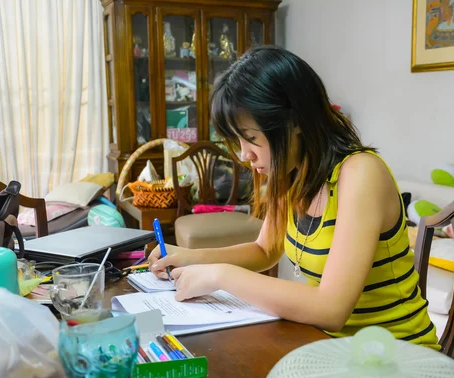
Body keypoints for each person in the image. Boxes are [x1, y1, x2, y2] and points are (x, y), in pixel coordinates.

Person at [149, 46, 439, 349]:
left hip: (399, 357)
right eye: (237, 140)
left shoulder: (360, 174)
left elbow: (331, 309)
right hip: (335, 349)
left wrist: (221, 275)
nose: (244, 155)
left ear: (295, 121)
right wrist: (191, 257)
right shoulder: (289, 173)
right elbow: (265, 250)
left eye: (250, 138)